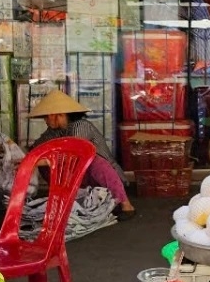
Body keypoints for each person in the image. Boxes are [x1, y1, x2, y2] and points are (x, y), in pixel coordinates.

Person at [28, 90, 135, 220]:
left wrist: (42, 160)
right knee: (42, 164)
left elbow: (73, 152)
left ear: (59, 115)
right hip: (81, 181)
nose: (45, 120)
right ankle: (66, 200)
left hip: (105, 179)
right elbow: (37, 149)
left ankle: (126, 205)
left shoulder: (81, 126)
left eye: (46, 117)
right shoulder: (52, 132)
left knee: (93, 160)